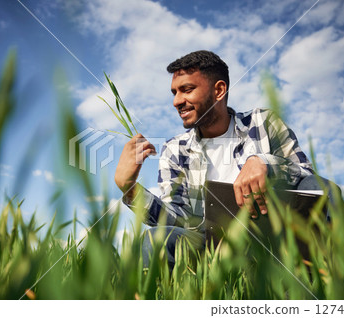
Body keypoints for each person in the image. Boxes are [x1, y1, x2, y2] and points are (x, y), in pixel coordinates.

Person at [115, 50, 332, 269]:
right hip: (210, 249)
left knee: (322, 187)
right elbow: (178, 220)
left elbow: (306, 174)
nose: (177, 101)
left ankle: (340, 280)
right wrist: (130, 188)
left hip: (276, 240)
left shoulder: (263, 123)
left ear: (219, 90)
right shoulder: (174, 150)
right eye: (174, 92)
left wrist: (264, 162)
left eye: (187, 90)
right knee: (156, 238)